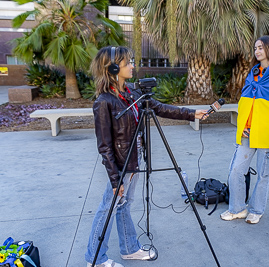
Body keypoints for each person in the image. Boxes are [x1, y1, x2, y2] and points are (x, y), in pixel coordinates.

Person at [85, 46, 208, 267]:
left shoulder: (132, 91)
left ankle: (130, 249)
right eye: (128, 62)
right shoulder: (104, 101)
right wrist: (115, 180)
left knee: (124, 205)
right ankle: (95, 259)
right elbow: (104, 146)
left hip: (134, 160)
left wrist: (191, 113)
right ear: (113, 67)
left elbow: (158, 107)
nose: (133, 66)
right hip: (121, 166)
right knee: (109, 207)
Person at [220, 35, 269, 224]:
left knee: (263, 173)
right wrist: (242, 125)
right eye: (255, 48)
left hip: (267, 133)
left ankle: (256, 210)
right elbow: (246, 102)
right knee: (236, 170)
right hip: (248, 132)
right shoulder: (253, 73)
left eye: (261, 48)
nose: (257, 51)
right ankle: (237, 208)